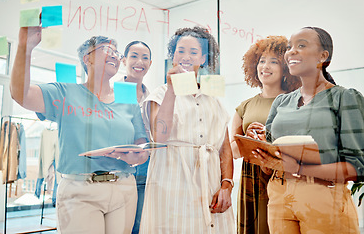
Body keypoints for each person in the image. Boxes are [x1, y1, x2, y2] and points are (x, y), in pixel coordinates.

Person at [10, 26, 149, 234]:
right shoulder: (64, 92)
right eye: (106, 49)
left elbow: (141, 143)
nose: (114, 55)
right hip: (80, 190)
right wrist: (25, 48)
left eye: (116, 52)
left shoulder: (127, 99)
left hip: (124, 189)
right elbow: (22, 95)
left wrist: (137, 156)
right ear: (87, 58)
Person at [249, 27, 364, 233]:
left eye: (301, 46)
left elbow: (357, 167)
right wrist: (260, 149)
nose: (291, 52)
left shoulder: (344, 98)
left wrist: (299, 169)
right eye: (290, 47)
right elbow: (270, 166)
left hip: (324, 196)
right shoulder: (281, 102)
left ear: (323, 56)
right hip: (278, 195)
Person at [139, 26, 235, 233]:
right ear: (173, 55)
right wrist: (172, 90)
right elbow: (159, 137)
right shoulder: (159, 94)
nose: (186, 57)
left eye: (193, 52)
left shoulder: (213, 100)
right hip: (170, 183)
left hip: (210, 184)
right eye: (180, 51)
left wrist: (227, 185)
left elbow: (224, 148)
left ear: (203, 58)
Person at [230, 36, 301, 234]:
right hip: (250, 178)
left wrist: (268, 142)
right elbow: (233, 152)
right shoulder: (244, 106)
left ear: (286, 67)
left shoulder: (297, 102)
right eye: (261, 61)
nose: (265, 66)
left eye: (273, 61)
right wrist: (249, 141)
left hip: (283, 176)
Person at [119, 40, 152, 234]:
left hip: (148, 171)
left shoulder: (154, 97)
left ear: (150, 63)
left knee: (140, 226)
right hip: (120, 169)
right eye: (134, 56)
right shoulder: (111, 92)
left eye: (145, 57)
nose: (140, 61)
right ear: (124, 60)